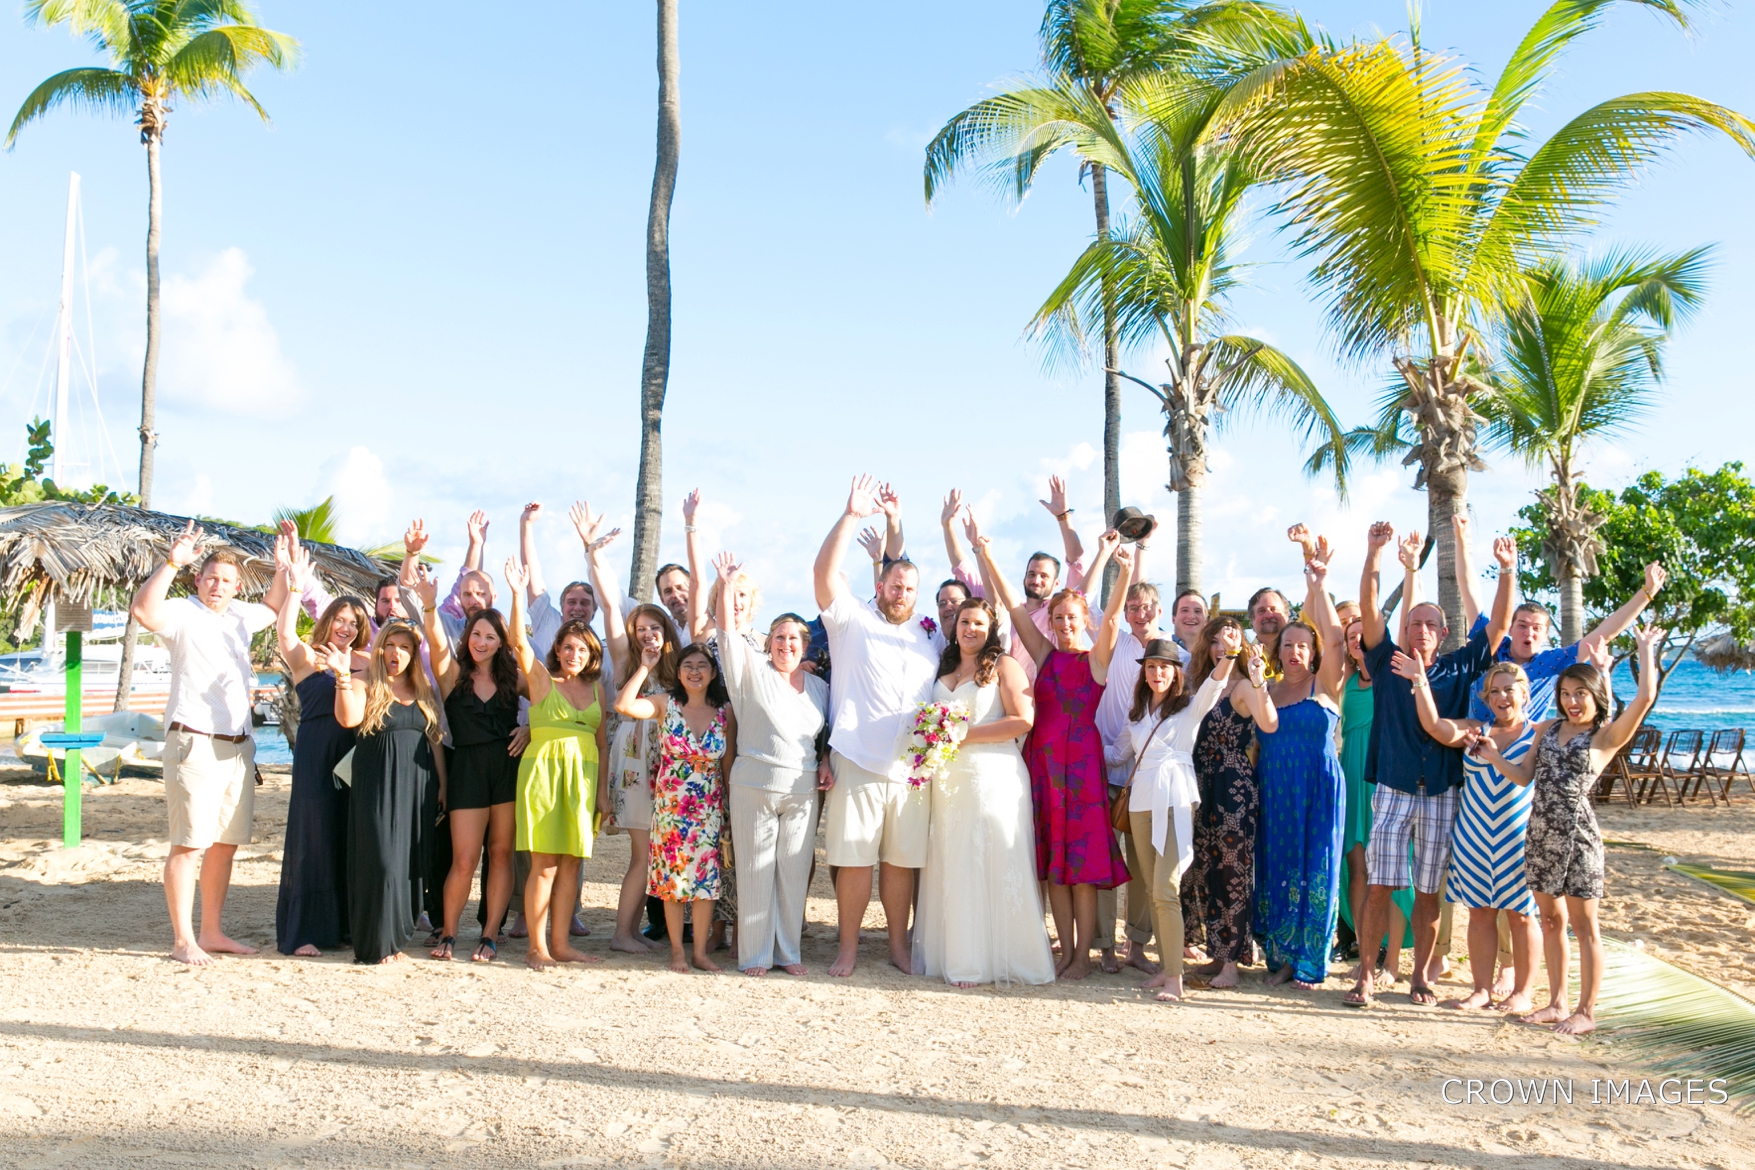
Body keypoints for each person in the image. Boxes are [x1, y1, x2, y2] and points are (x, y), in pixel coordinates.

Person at [1347, 521, 1514, 1008]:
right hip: (1394, 788)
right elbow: (1369, 606)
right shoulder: (1386, 661)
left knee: (1427, 893)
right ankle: (1366, 974)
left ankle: (1420, 975)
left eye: (1429, 624)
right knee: (1379, 888)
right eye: (1413, 622)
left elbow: (1500, 624)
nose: (1420, 629)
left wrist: (1507, 570)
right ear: (1404, 630)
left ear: (1442, 633)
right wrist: (1374, 552)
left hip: (1444, 789)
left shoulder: (1461, 665)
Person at [1474, 627, 1664, 1035]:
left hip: (1579, 839)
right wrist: (1493, 758)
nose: (1572, 701)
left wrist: (1646, 652)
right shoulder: (1546, 731)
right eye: (1566, 693)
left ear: (1595, 697)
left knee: (1584, 927)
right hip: (1540, 833)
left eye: (1581, 693)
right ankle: (1557, 1003)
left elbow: (1645, 698)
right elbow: (1524, 777)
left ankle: (1586, 1012)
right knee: (1551, 921)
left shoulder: (1605, 736)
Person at [974, 513, 1130, 981]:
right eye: (1059, 618)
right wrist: (986, 553)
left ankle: (1083, 954)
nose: (1063, 624)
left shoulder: (1096, 661)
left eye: (1071, 618)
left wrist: (1120, 569)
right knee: (1052, 865)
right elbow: (1013, 607)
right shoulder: (1044, 655)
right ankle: (1064, 953)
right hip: (1042, 766)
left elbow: (1117, 617)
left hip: (1081, 769)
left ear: (1084, 621)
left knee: (1080, 868)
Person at [130, 521, 289, 966]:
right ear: (198, 580)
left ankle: (212, 931)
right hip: (194, 742)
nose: (218, 586)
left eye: (227, 581)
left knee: (225, 843)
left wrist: (281, 568)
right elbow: (143, 611)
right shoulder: (181, 611)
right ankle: (183, 941)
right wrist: (171, 562)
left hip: (239, 747)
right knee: (189, 844)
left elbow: (274, 605)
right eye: (211, 578)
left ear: (238, 588)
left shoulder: (241, 615)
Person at [812, 475, 945, 978]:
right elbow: (824, 573)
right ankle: (846, 947)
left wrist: (896, 521)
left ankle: (897, 946)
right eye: (894, 585)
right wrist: (851, 515)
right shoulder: (851, 620)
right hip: (858, 758)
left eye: (910, 588)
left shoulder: (928, 634)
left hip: (912, 769)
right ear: (879, 585)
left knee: (901, 862)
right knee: (853, 860)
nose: (901, 593)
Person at [913, 596, 1056, 988]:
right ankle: (960, 954)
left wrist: (961, 734)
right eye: (964, 622)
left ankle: (1004, 958)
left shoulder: (1004, 665)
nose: (970, 629)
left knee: (992, 858)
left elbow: (1023, 720)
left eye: (978, 623)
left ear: (990, 628)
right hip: (950, 781)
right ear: (954, 626)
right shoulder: (944, 667)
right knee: (955, 860)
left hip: (993, 774)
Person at [1392, 656, 1540, 1012]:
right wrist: (1419, 681)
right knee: (1480, 913)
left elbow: (1590, 727)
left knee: (1520, 914)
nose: (1502, 697)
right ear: (1486, 699)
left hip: (1517, 836)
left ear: (1524, 693)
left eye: (1510, 690)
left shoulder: (1540, 732)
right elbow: (1434, 725)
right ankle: (1481, 989)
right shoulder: (1476, 729)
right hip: (1473, 833)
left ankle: (1523, 992)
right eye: (1494, 692)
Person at [712, 552, 829, 977]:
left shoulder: (818, 687)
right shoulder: (750, 670)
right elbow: (726, 634)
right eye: (779, 638)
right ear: (770, 642)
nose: (785, 645)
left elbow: (825, 733)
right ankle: (756, 955)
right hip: (754, 784)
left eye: (793, 640)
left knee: (793, 873)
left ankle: (788, 953)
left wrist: (828, 760)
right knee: (756, 870)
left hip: (801, 790)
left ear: (804, 645)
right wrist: (725, 586)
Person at [572, 501, 676, 955]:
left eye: (656, 628)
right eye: (642, 629)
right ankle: (621, 934)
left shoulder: (678, 668)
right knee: (641, 854)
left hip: (666, 765)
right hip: (634, 763)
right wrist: (594, 554)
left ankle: (629, 931)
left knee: (653, 852)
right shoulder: (625, 659)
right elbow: (611, 602)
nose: (648, 634)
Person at [1124, 637, 1246, 1001]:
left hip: (1176, 801)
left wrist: (1229, 656)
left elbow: (1214, 686)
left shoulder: (1189, 708)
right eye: (1150, 666)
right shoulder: (1135, 716)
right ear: (1144, 673)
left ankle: (1175, 978)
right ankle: (1166, 968)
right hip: (1140, 804)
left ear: (1175, 672)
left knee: (1165, 888)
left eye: (1163, 666)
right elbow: (1115, 752)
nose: (1157, 672)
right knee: (1151, 889)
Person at [505, 559, 607, 970]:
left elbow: (600, 741)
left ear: (591, 653)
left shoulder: (597, 689)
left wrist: (602, 793)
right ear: (557, 649)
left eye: (582, 648)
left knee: (571, 865)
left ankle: (561, 944)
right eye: (567, 647)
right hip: (545, 775)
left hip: (583, 782)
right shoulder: (544, 680)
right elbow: (516, 640)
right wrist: (516, 591)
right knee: (544, 865)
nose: (574, 654)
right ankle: (537, 947)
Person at [1254, 555, 1351, 990]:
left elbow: (1335, 640)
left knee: (1318, 866)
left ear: (1311, 653)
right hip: (1275, 790)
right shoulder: (1268, 690)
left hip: (1318, 787)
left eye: (1302, 645)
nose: (1294, 651)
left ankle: (1311, 960)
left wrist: (1320, 585)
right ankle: (1282, 956)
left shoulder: (1325, 684)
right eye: (1287, 645)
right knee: (1279, 866)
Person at [417, 567, 522, 963]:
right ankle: (448, 931)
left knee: (500, 853)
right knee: (464, 859)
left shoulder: (516, 678)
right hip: (467, 770)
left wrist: (528, 728)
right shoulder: (453, 676)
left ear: (501, 642)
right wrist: (429, 604)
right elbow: (436, 644)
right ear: (468, 636)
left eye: (490, 636)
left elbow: (551, 700)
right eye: (476, 634)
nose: (481, 641)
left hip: (507, 767)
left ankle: (490, 934)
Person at [272, 541, 370, 958]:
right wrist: (294, 587)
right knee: (312, 836)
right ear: (328, 621)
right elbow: (283, 630)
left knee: (346, 836)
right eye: (340, 620)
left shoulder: (367, 662)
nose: (345, 628)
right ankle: (304, 931)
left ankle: (345, 925)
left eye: (353, 623)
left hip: (353, 753)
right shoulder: (307, 657)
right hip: (315, 752)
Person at [615, 640, 737, 974]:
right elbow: (623, 705)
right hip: (671, 808)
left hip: (709, 808)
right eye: (688, 665)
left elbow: (727, 766)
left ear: (713, 673)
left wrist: (729, 813)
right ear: (679, 671)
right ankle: (677, 953)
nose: (695, 672)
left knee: (706, 881)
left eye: (702, 666)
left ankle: (699, 952)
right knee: (671, 880)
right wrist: (645, 666)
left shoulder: (724, 712)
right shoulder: (665, 702)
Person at [332, 619, 444, 964]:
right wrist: (341, 677)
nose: (398, 652)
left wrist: (444, 785)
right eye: (391, 645)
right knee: (380, 862)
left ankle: (394, 941)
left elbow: (435, 740)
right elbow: (348, 720)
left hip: (419, 787)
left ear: (414, 653)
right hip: (377, 785)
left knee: (409, 862)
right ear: (380, 649)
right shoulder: (364, 683)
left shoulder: (422, 687)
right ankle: (375, 943)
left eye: (406, 647)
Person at [1182, 617, 1278, 989]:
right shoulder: (1199, 687)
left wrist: (1258, 680)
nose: (1223, 647)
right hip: (1198, 783)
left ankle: (1232, 965)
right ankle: (1216, 953)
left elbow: (1268, 724)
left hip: (1233, 787)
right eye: (1217, 641)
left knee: (1233, 873)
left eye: (1231, 640)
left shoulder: (1241, 686)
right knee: (1204, 870)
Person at [1095, 580, 1175, 976]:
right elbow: (1107, 613)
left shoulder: (1174, 652)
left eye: (1146, 607)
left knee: (1145, 866)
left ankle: (1137, 945)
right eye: (1133, 608)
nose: (1139, 614)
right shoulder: (1119, 643)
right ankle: (1104, 946)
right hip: (1105, 767)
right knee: (1105, 860)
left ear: (1159, 611)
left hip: (1147, 776)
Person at [941, 479, 1088, 682]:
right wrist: (949, 527)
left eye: (1044, 576)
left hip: (1044, 700)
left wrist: (1064, 518)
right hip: (1002, 699)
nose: (1036, 580)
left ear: (1056, 583)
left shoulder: (1055, 614)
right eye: (1032, 574)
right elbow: (964, 571)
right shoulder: (1003, 608)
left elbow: (1077, 563)